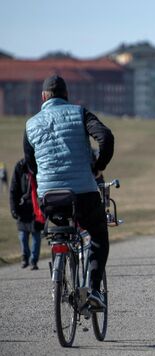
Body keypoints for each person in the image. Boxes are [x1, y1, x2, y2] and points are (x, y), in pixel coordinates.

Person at [24, 75, 114, 309]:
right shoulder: (79, 113)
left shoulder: (31, 124)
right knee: (98, 235)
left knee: (58, 233)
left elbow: (30, 164)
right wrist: (98, 167)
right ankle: (93, 290)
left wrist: (45, 176)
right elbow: (105, 137)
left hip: (50, 197)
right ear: (67, 95)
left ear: (43, 97)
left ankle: (59, 279)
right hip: (83, 193)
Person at [9, 159, 44, 270]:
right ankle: (25, 257)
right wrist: (14, 209)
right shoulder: (20, 167)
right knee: (23, 236)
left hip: (36, 208)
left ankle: (33, 261)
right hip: (22, 208)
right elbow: (13, 190)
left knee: (36, 236)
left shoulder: (40, 165)